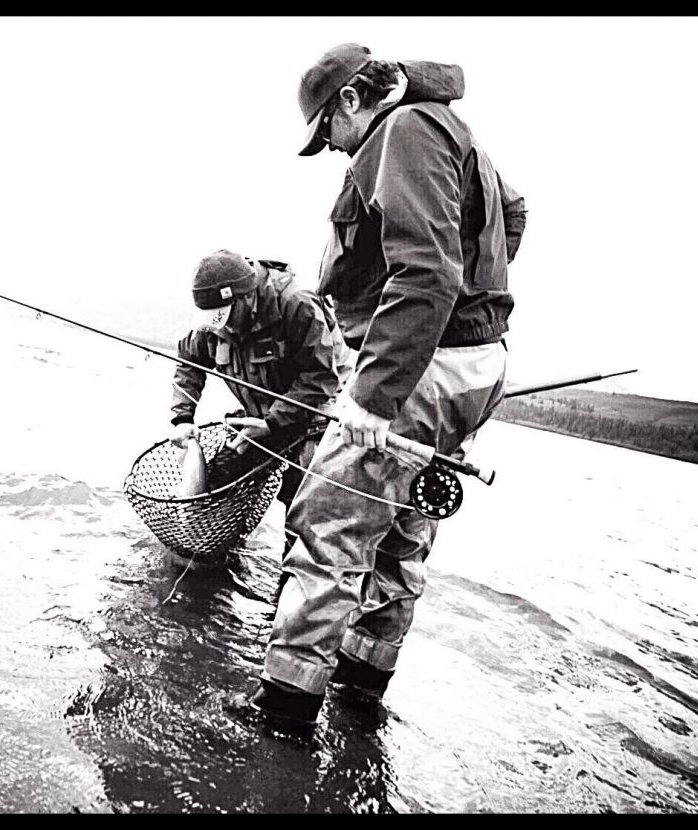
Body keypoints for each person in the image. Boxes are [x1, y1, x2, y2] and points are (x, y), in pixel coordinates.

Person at [251, 44, 527, 725]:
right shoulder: (452, 131)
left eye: (329, 135)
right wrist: (470, 314)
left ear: (350, 101)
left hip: (416, 373)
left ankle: (281, 717)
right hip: (469, 365)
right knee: (401, 529)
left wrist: (375, 395)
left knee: (327, 527)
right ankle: (360, 690)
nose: (336, 152)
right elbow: (514, 213)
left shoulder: (400, 130)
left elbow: (427, 274)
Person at [169, 249, 350, 532]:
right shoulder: (213, 327)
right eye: (215, 319)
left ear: (246, 296)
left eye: (225, 316)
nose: (222, 326)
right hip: (260, 418)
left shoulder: (296, 304)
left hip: (317, 416)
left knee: (304, 507)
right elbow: (188, 362)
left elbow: (321, 378)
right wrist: (183, 418)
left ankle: (297, 567)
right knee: (219, 481)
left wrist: (272, 423)